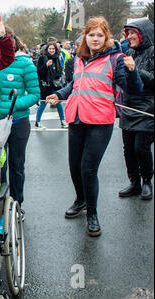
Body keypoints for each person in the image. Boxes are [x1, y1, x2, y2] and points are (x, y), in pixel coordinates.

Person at [46, 16, 143, 237]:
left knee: (88, 169)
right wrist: (59, 95)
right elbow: (75, 84)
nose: (95, 39)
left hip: (100, 121)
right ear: (85, 37)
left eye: (100, 35)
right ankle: (80, 200)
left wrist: (131, 71)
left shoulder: (117, 59)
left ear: (106, 37)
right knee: (74, 167)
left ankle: (92, 213)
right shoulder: (80, 59)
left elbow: (132, 89)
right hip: (77, 119)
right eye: (91, 35)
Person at [0, 33, 40, 207]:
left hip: (18, 122)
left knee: (16, 164)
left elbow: (35, 95)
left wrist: (10, 106)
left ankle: (17, 203)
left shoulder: (25, 63)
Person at [118, 19, 154, 200]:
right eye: (128, 33)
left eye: (133, 33)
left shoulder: (153, 52)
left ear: (143, 34)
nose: (129, 36)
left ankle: (147, 181)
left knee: (141, 147)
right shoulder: (129, 52)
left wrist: (136, 70)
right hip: (128, 105)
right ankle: (134, 182)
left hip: (148, 106)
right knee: (128, 149)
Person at [35, 41, 69, 129]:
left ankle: (63, 121)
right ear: (47, 49)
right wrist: (46, 65)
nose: (51, 50)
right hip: (45, 84)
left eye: (53, 49)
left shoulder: (57, 58)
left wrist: (61, 73)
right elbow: (39, 71)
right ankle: (37, 122)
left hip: (55, 84)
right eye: (50, 48)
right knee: (43, 103)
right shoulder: (43, 58)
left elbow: (59, 69)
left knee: (58, 102)